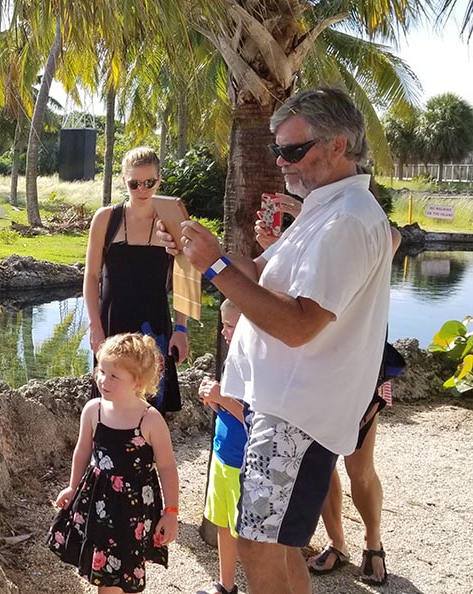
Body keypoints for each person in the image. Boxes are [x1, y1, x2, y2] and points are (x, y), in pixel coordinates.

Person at [160, 86, 393, 594]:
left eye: (293, 150)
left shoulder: (349, 220)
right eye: (277, 150)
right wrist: (197, 248)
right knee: (277, 544)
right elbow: (261, 270)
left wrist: (215, 266)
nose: (282, 162)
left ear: (338, 146)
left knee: (258, 544)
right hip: (284, 406)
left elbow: (299, 324)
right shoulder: (323, 208)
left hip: (298, 414)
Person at [257, 192, 402, 586]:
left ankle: (373, 541)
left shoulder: (362, 221)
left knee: (359, 467)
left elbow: (391, 238)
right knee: (318, 464)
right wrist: (280, 248)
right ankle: (337, 543)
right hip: (316, 372)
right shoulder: (317, 229)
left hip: (365, 372)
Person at [48, 333, 180, 594]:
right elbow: (83, 450)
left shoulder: (150, 419)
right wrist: (72, 487)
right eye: (101, 370)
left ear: (138, 382)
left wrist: (171, 512)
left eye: (114, 376)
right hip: (97, 499)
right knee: (105, 574)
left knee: (124, 569)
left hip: (134, 506)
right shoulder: (93, 410)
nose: (103, 380)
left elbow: (166, 467)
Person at [83, 146, 189, 412]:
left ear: (159, 181)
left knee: (153, 407)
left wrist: (182, 328)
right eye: (134, 183)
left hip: (154, 325)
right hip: (112, 323)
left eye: (149, 182)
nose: (142, 189)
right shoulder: (106, 219)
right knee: (108, 406)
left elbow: (185, 277)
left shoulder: (171, 219)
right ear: (124, 182)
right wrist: (94, 326)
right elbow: (92, 276)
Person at [196, 299, 248, 594]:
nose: (223, 332)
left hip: (244, 463)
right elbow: (230, 412)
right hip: (222, 455)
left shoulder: (259, 366)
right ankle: (226, 585)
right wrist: (216, 401)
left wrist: (222, 398)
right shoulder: (233, 361)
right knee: (225, 526)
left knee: (249, 537)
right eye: (223, 325)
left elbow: (255, 418)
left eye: (230, 325)